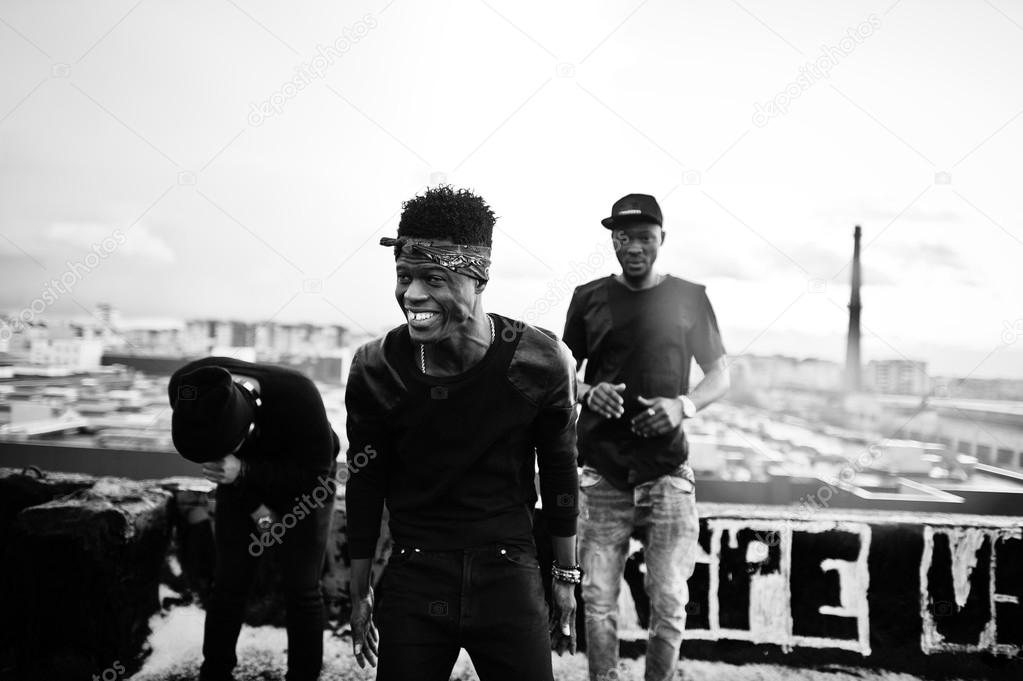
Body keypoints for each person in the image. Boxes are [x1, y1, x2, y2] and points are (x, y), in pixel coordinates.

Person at [344, 185, 581, 681]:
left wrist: (564, 577)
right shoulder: (376, 367)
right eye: (404, 276)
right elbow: (365, 483)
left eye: (433, 278)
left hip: (508, 570)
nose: (411, 295)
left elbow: (559, 474)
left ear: (479, 278)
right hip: (414, 571)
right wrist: (359, 589)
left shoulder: (539, 360)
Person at [563, 193, 730, 681]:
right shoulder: (587, 297)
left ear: (661, 239)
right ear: (612, 240)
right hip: (601, 473)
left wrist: (684, 406)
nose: (633, 246)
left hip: (668, 475)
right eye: (622, 236)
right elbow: (561, 373)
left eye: (644, 237)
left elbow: (720, 372)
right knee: (597, 601)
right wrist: (587, 392)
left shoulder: (689, 297)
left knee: (671, 601)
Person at [168, 358, 339, 681]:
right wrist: (254, 504)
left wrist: (244, 470)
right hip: (237, 480)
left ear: (246, 427)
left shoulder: (298, 395)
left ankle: (303, 676)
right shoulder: (188, 385)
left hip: (307, 482)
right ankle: (215, 672)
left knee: (302, 588)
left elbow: (316, 478)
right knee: (228, 583)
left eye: (226, 449)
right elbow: (225, 468)